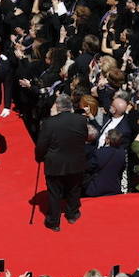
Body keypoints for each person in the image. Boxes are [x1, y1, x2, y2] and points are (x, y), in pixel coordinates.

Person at [35, 94, 91, 232]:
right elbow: (84, 137)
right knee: (74, 188)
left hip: (55, 164)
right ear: (70, 106)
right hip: (76, 162)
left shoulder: (49, 123)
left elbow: (41, 145)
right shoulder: (81, 120)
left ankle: (54, 222)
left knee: (54, 193)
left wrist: (39, 157)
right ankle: (72, 214)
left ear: (58, 106)